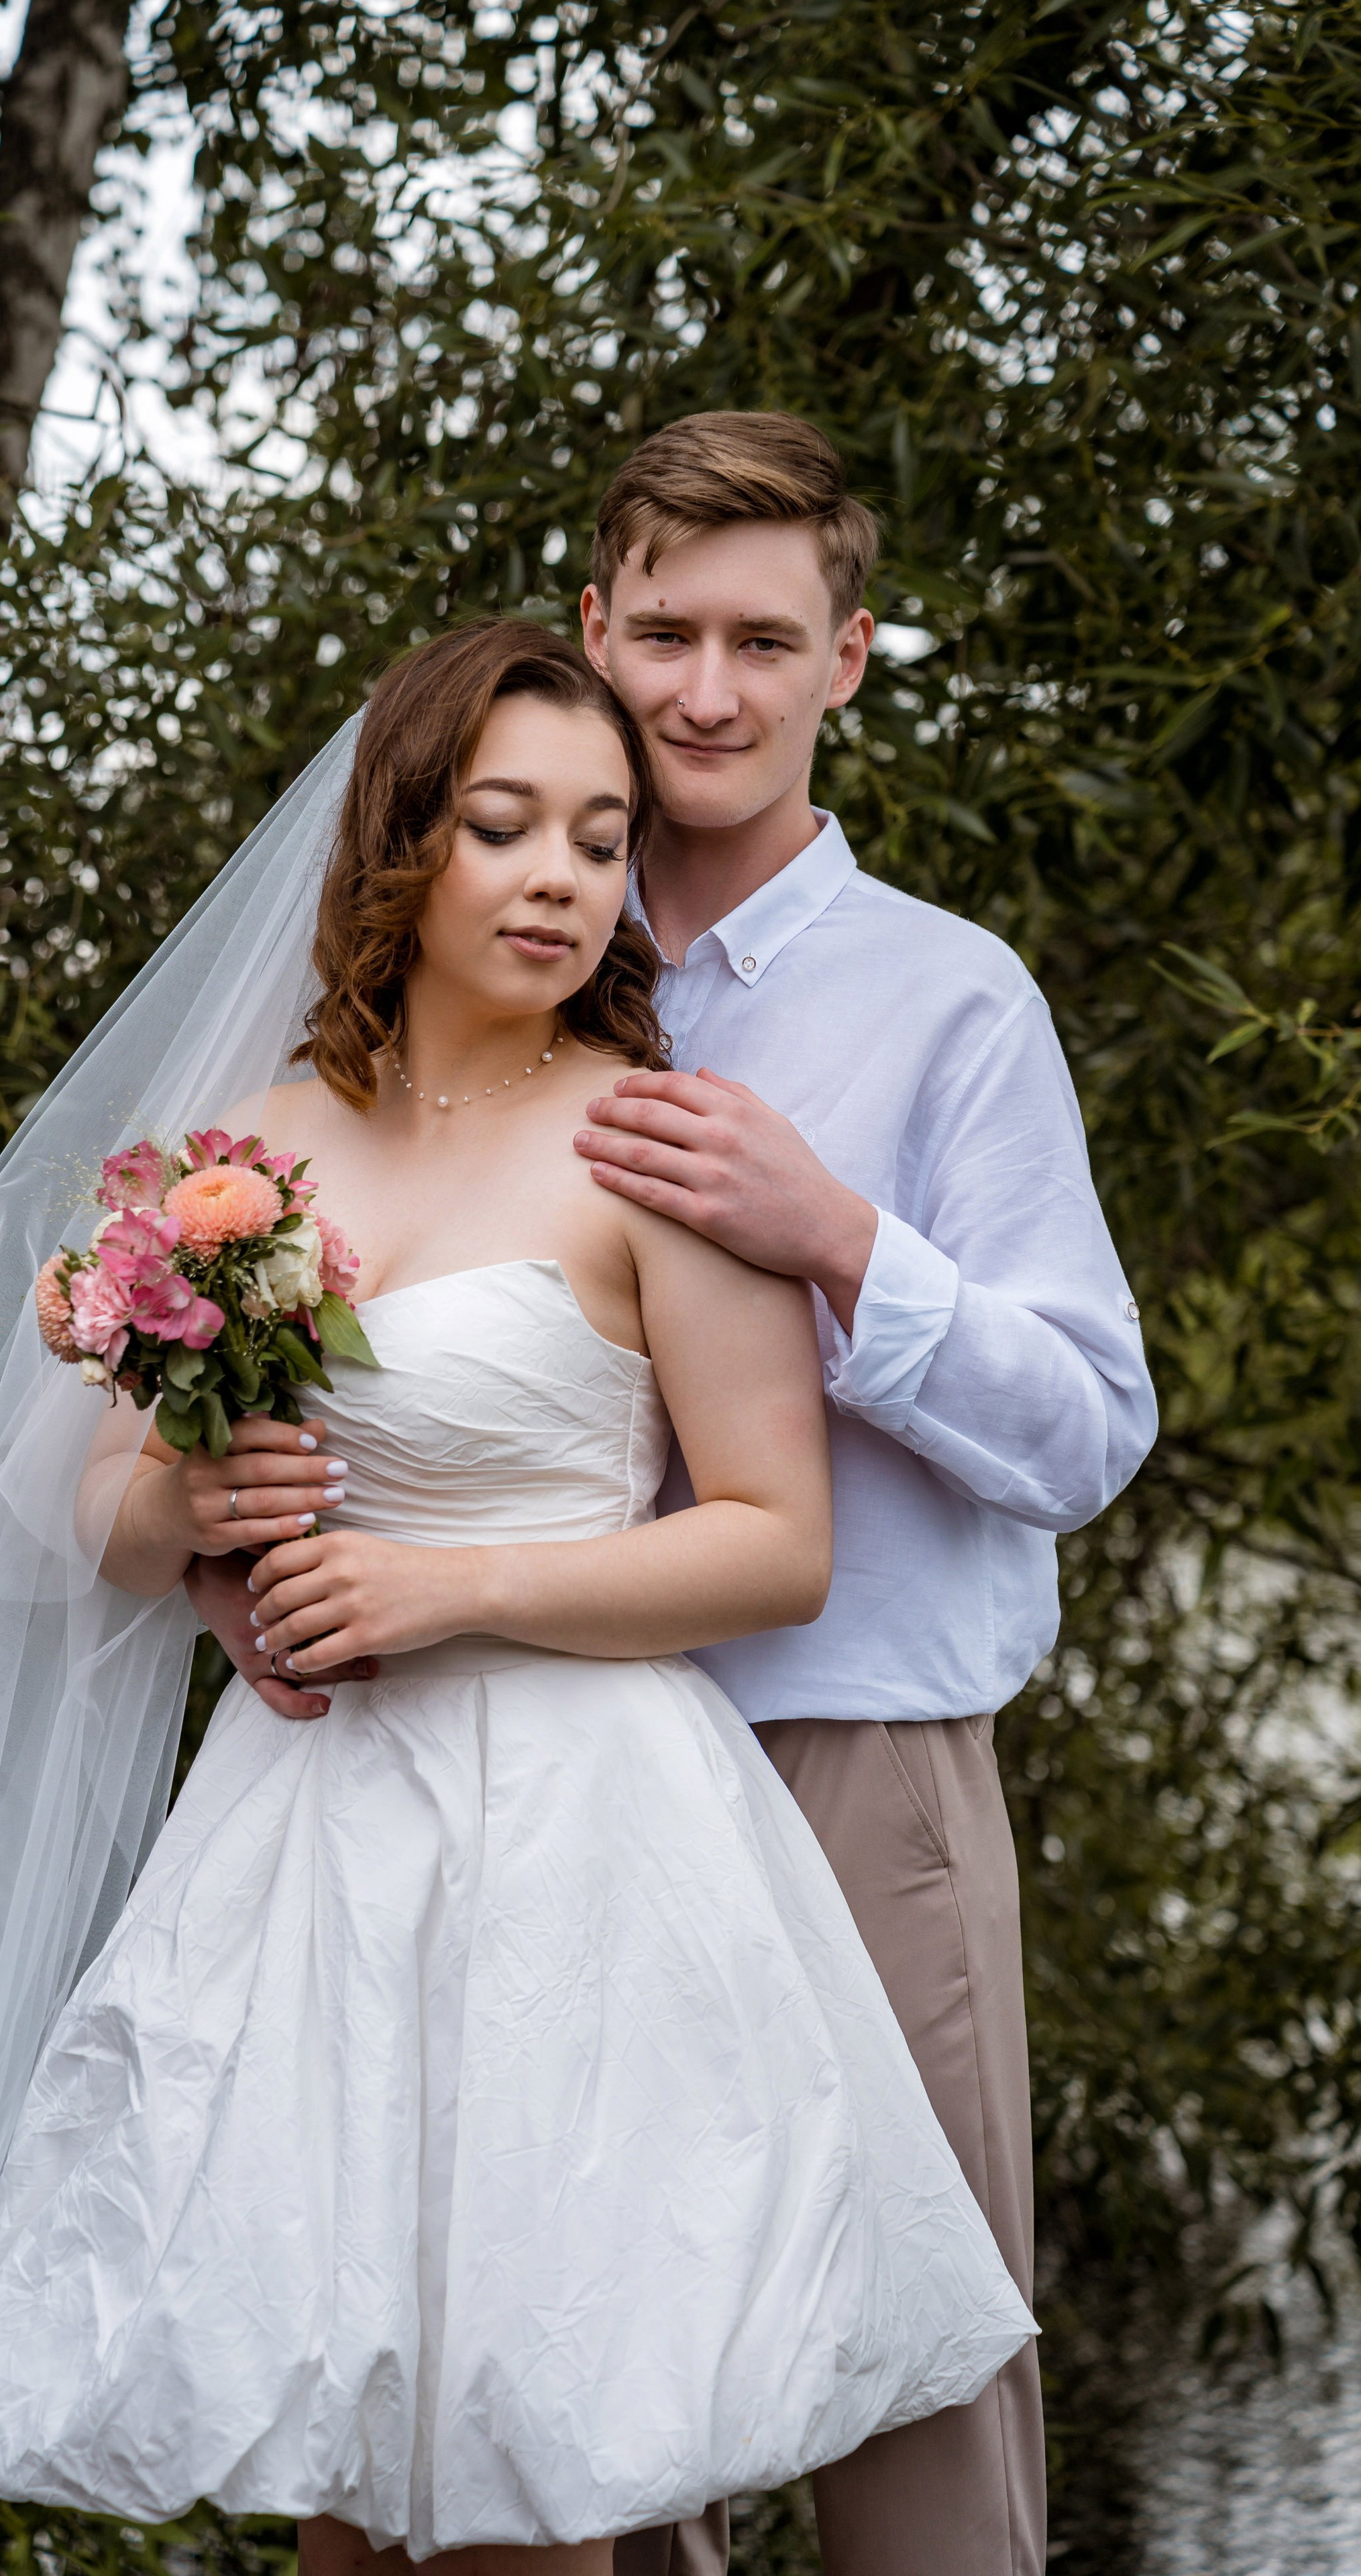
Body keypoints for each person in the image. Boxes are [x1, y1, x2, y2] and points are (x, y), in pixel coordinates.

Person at [0, 621, 1034, 2566]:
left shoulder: (648, 1149)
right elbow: (93, 1502)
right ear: (401, 845)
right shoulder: (243, 1162)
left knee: (534, 2475)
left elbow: (778, 1541)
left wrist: (447, 1589)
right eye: (506, 827)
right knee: (346, 2490)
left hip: (579, 1850)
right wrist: (186, 1502)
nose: (558, 880)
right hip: (317, 1852)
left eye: (602, 843)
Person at [555, 413, 1154, 2576]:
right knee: (584, 2422)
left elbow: (1090, 1433)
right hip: (539, 1783)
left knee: (919, 2426)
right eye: (666, 633)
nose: (705, 691)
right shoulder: (499, 959)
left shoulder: (950, 1000)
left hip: (852, 1773)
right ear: (596, 628)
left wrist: (842, 1241)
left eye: (762, 639)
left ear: (851, 660)